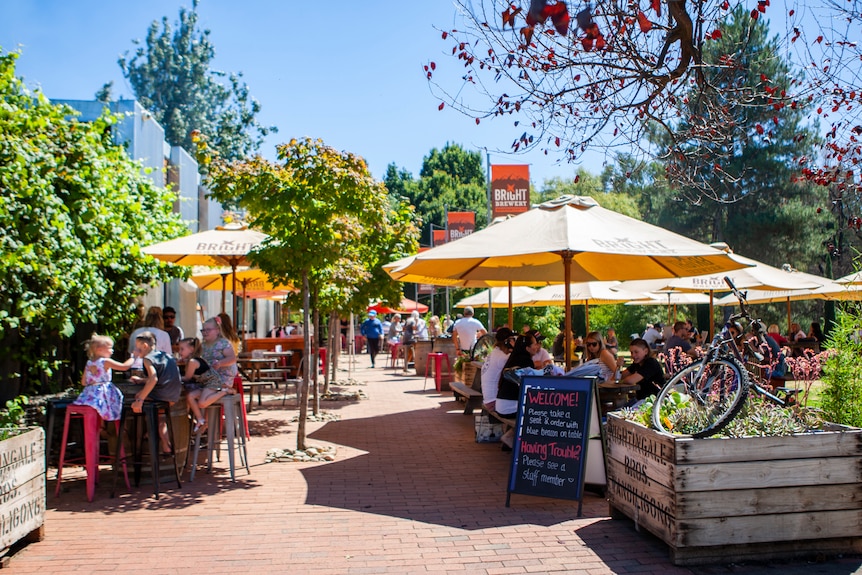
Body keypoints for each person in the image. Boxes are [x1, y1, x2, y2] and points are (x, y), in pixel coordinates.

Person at [129, 331, 182, 454]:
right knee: (160, 416)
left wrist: (140, 400)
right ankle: (165, 443)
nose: (136, 350)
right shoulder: (165, 355)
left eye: (138, 347)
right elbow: (162, 377)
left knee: (138, 397)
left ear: (145, 346)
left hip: (162, 395)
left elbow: (154, 379)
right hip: (173, 395)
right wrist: (142, 380)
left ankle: (147, 432)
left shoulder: (148, 359)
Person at [178, 337, 233, 433]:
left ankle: (224, 392)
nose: (179, 352)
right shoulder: (192, 360)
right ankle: (200, 419)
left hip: (212, 383)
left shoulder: (193, 362)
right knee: (190, 396)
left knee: (202, 403)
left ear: (191, 349)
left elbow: (187, 378)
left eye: (182, 349)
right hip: (205, 384)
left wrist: (175, 377)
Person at [73, 334, 133, 421]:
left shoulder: (89, 363)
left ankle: (98, 428)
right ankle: (116, 425)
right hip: (102, 394)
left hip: (89, 395)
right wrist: (133, 357)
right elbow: (124, 367)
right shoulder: (105, 361)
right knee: (118, 402)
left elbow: (83, 382)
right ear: (99, 349)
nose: (112, 351)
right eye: (110, 348)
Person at [480, 327, 514, 412]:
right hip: (494, 402)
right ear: (508, 341)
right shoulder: (502, 357)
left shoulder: (495, 352)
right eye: (513, 340)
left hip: (488, 399)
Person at [201, 317, 238, 389]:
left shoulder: (223, 343)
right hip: (208, 377)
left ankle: (226, 392)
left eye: (208, 330)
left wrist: (220, 363)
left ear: (217, 330)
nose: (205, 332)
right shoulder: (202, 345)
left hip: (223, 377)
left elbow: (232, 358)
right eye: (203, 330)